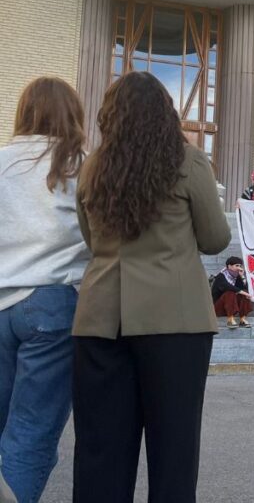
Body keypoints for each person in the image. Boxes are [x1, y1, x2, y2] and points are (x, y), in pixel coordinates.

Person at [72, 71, 232, 502]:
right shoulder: (188, 161)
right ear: (166, 113)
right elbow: (216, 238)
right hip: (175, 321)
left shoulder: (92, 167)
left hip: (101, 320)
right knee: (173, 456)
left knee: (99, 456)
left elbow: (90, 238)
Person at [0, 77, 88, 503]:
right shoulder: (81, 164)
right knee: (31, 433)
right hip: (55, 301)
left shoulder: (1, 161)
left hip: (1, 301)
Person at [211, 256, 253, 329]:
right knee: (230, 292)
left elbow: (245, 288)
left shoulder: (236, 276)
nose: (239, 268)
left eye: (240, 266)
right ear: (229, 266)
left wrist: (242, 276)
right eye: (237, 265)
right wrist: (244, 293)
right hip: (218, 307)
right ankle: (230, 319)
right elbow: (228, 286)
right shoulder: (221, 276)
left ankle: (242, 319)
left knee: (244, 292)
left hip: (231, 306)